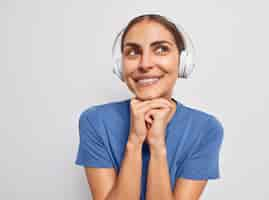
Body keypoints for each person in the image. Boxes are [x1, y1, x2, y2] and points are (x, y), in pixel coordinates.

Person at [75, 14, 224, 200]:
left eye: (161, 49)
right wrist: (135, 141)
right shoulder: (95, 121)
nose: (145, 64)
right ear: (120, 66)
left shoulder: (205, 129)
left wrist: (157, 145)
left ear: (183, 61)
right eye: (133, 52)